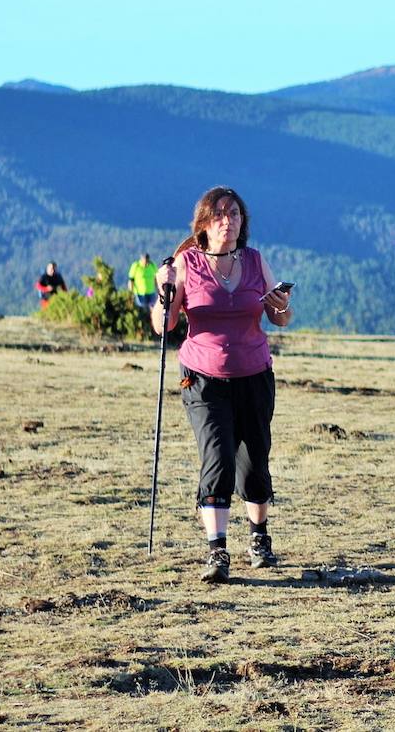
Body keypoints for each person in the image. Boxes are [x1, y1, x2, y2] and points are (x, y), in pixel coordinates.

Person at [151, 186, 292, 583]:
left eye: (234, 213)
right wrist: (164, 292)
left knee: (254, 462)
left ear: (243, 222)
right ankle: (218, 552)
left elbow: (280, 318)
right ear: (204, 224)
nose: (227, 220)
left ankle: (259, 538)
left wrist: (281, 305)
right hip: (203, 380)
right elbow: (165, 325)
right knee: (218, 458)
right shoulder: (186, 263)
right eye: (219, 214)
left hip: (254, 376)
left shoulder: (254, 261)